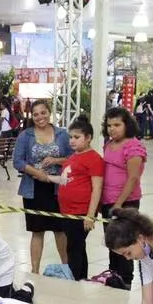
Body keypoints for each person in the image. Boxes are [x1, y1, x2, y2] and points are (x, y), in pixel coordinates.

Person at [13, 99, 72, 273]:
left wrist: (56, 160)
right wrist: (37, 173)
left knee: (60, 230)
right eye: (36, 114)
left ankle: (66, 267)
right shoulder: (26, 136)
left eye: (43, 112)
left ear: (49, 112)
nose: (40, 117)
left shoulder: (62, 134)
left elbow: (73, 157)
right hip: (33, 189)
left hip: (57, 189)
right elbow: (17, 161)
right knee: (37, 231)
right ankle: (35, 271)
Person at [99, 107, 147, 288]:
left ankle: (125, 279)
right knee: (112, 240)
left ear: (127, 125)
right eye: (109, 125)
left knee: (126, 240)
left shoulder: (134, 146)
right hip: (107, 201)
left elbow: (133, 178)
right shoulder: (108, 144)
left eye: (117, 125)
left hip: (126, 202)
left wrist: (119, 204)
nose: (112, 129)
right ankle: (114, 274)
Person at [55, 116, 104, 281]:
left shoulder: (94, 159)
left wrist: (90, 215)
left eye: (77, 137)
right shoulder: (73, 156)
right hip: (66, 210)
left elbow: (97, 188)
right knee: (76, 247)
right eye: (70, 137)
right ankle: (80, 278)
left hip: (81, 212)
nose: (72, 141)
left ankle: (75, 279)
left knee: (74, 247)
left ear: (88, 137)